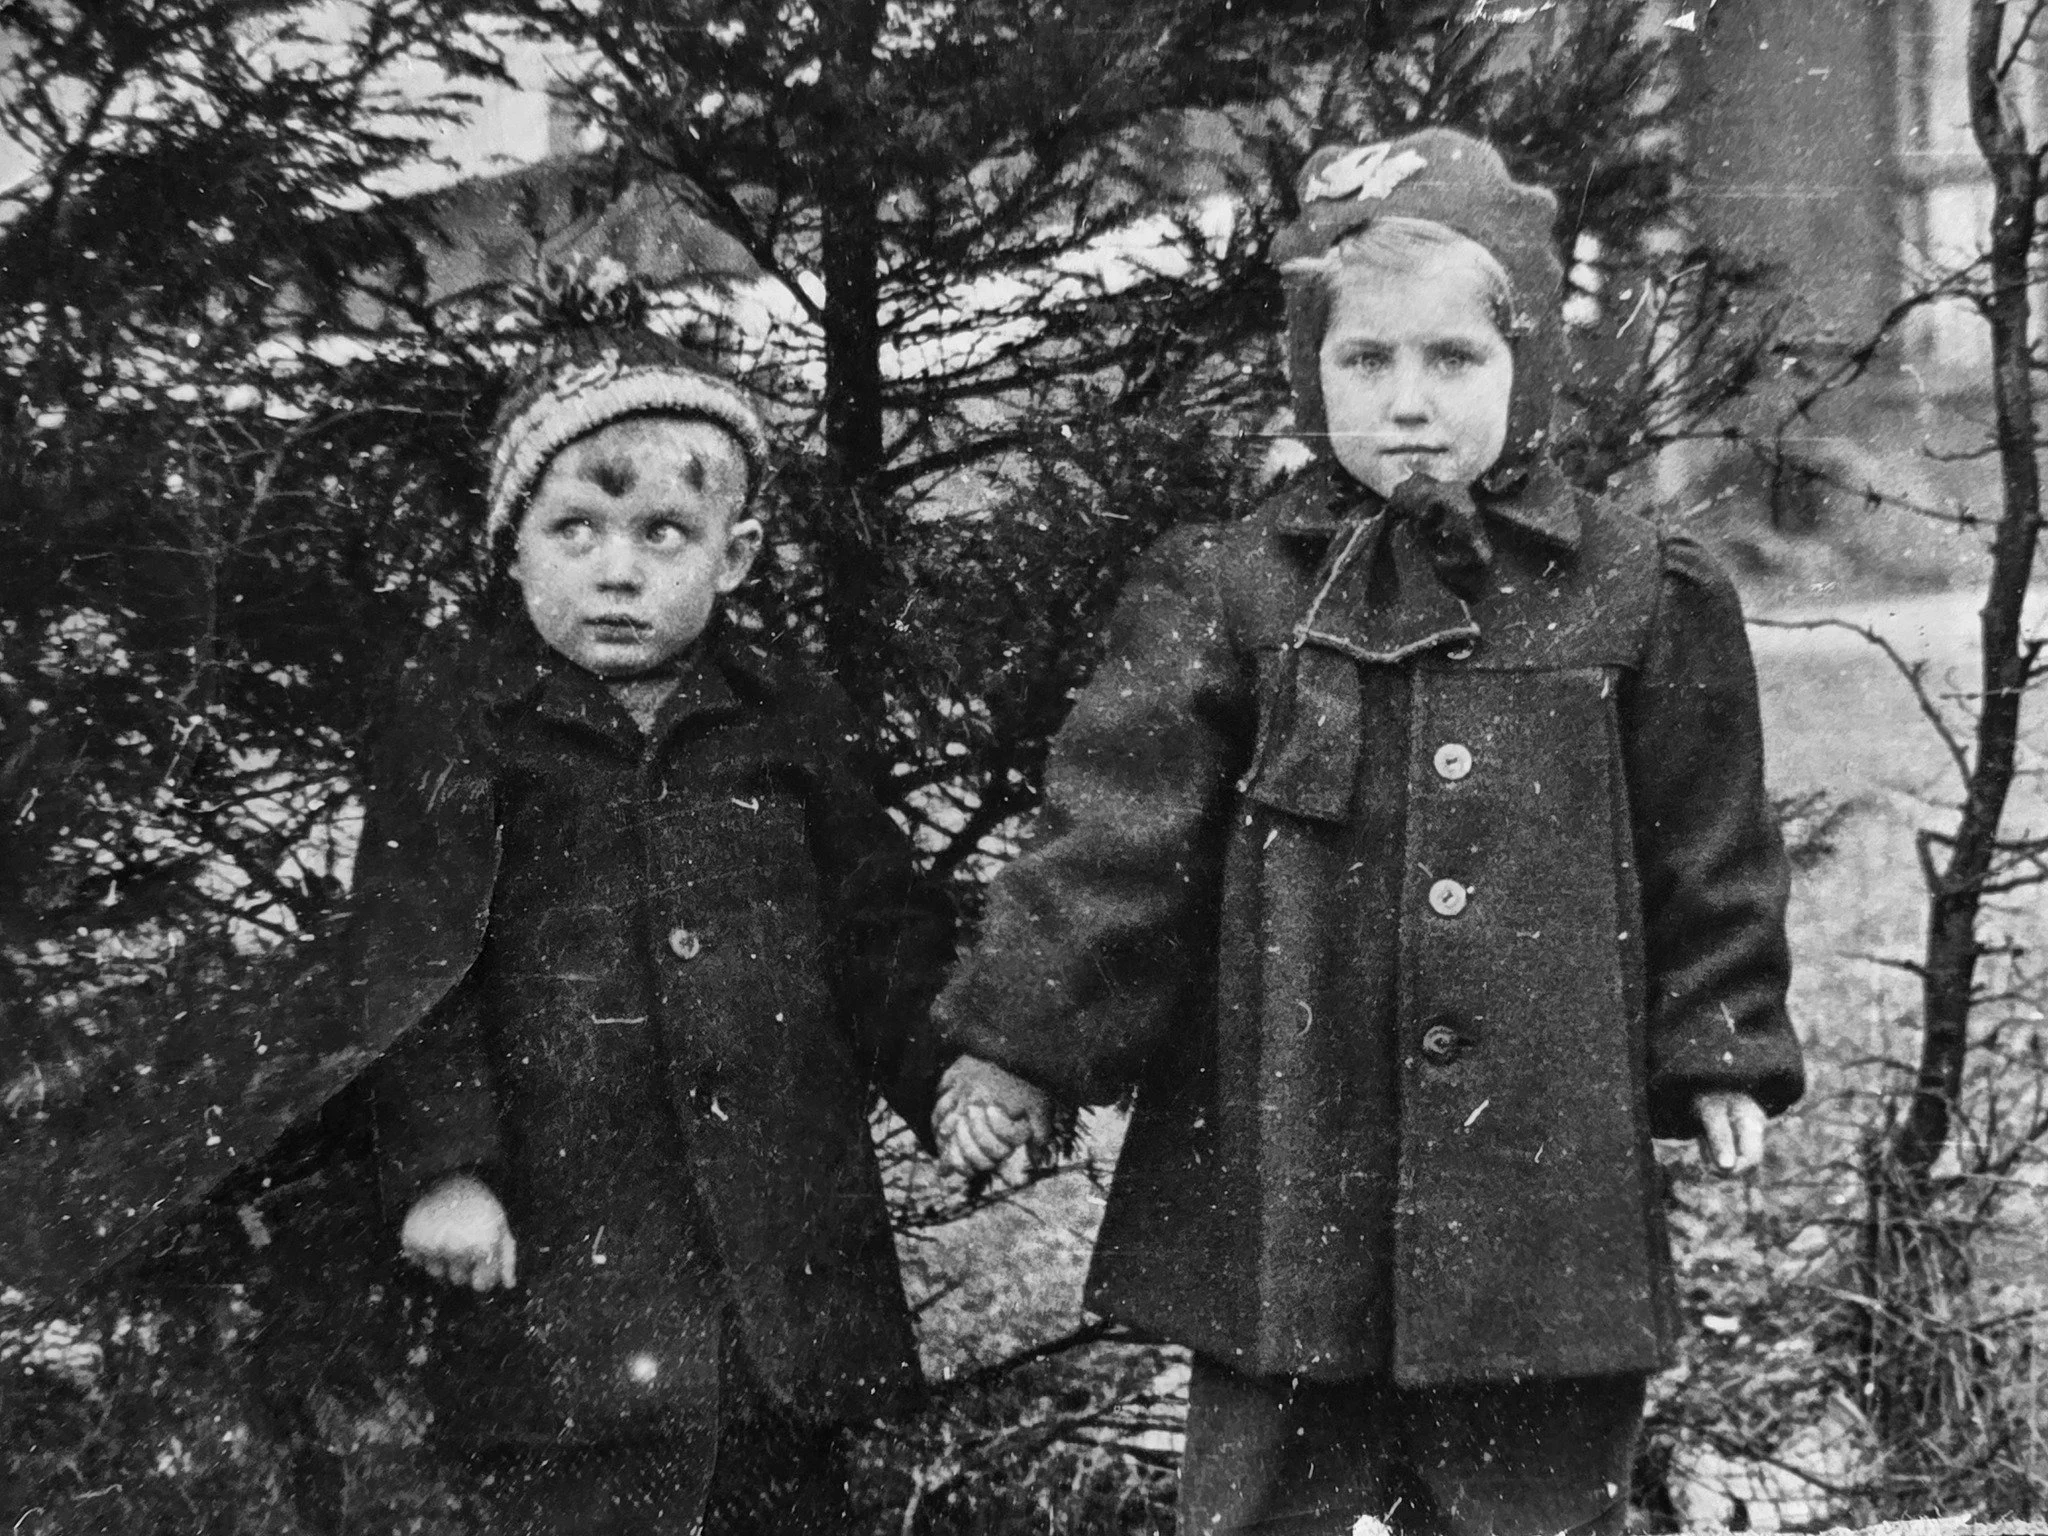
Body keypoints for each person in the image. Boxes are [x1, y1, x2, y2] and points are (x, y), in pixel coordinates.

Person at [929, 129, 1804, 1536]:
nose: (1407, 402)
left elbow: (1706, 844)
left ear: (1527, 362)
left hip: (1537, 1179)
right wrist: (1022, 1043)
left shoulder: (1640, 589)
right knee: (1275, 1493)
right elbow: (1117, 842)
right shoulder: (1230, 590)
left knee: (1533, 1492)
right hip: (1290, 1167)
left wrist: (1719, 1046)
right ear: (1309, 373)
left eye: (1453, 359)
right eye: (1364, 360)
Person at [352, 325, 953, 1534]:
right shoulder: (470, 733)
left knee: (781, 1497)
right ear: (512, 551)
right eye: (573, 530)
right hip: (566, 1252)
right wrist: (446, 1171)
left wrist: (949, 1076)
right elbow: (409, 969)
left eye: (662, 533)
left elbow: (878, 930)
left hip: (778, 1239)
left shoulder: (786, 720)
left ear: (737, 557)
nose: (615, 573)